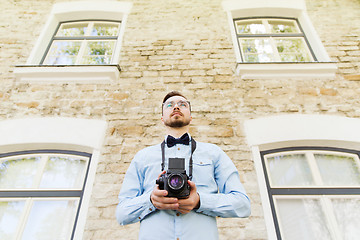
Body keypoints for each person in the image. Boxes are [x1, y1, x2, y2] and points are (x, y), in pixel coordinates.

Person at [116, 91, 251, 240]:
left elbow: (242, 204)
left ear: (191, 117)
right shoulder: (142, 157)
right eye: (169, 105)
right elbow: (122, 213)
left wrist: (200, 201)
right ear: (162, 118)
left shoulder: (213, 153)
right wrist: (151, 200)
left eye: (182, 104)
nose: (176, 107)